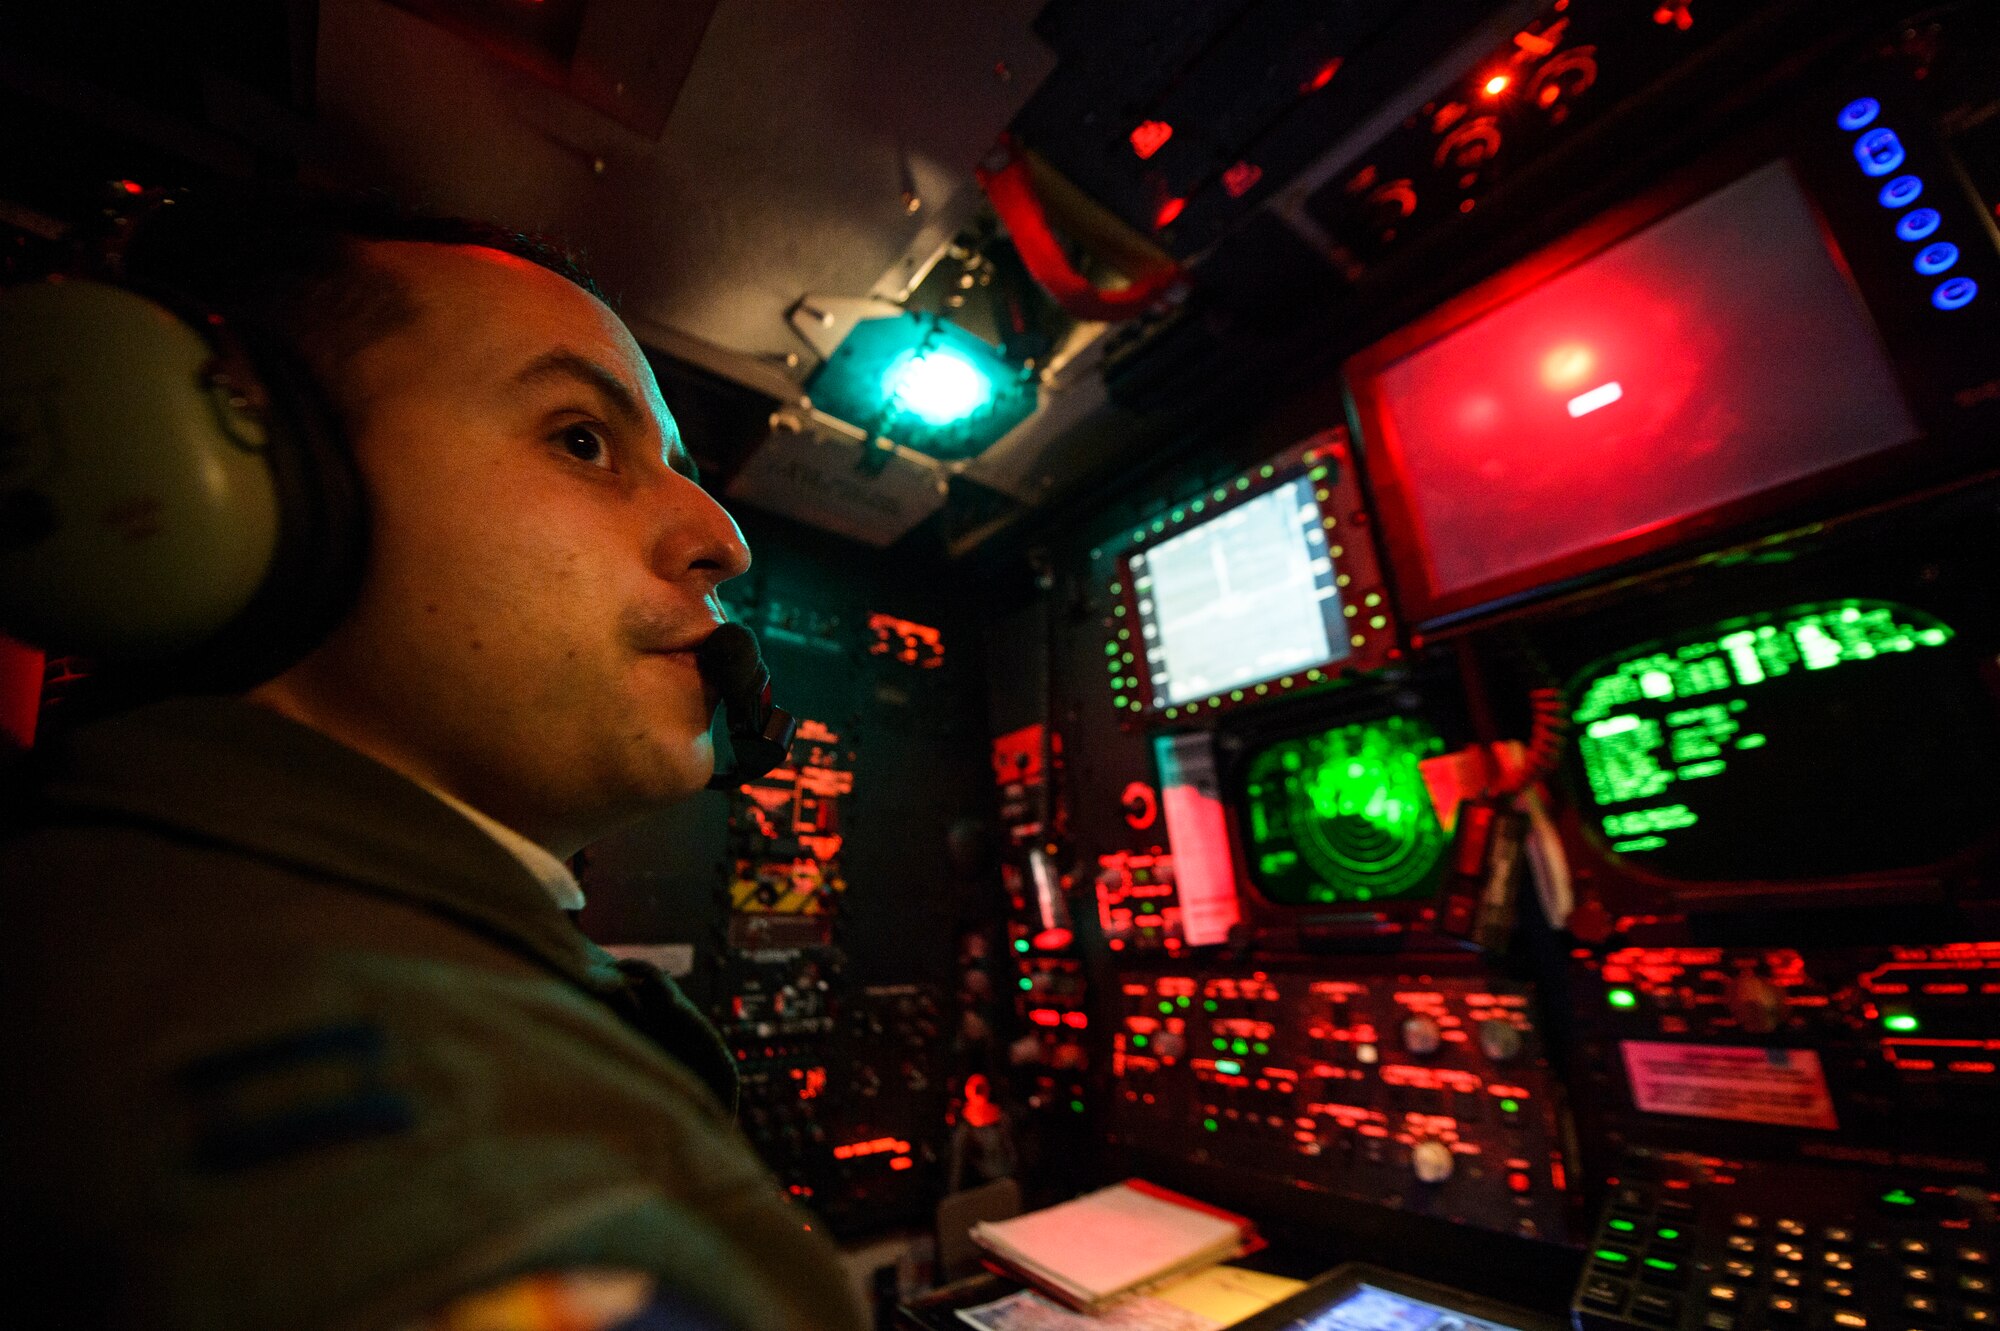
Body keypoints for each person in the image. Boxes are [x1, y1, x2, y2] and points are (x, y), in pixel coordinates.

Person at [0, 196, 869, 1331]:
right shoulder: (408, 1086)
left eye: (677, 463)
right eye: (580, 439)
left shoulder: (160, 904)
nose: (722, 538)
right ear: (274, 490)